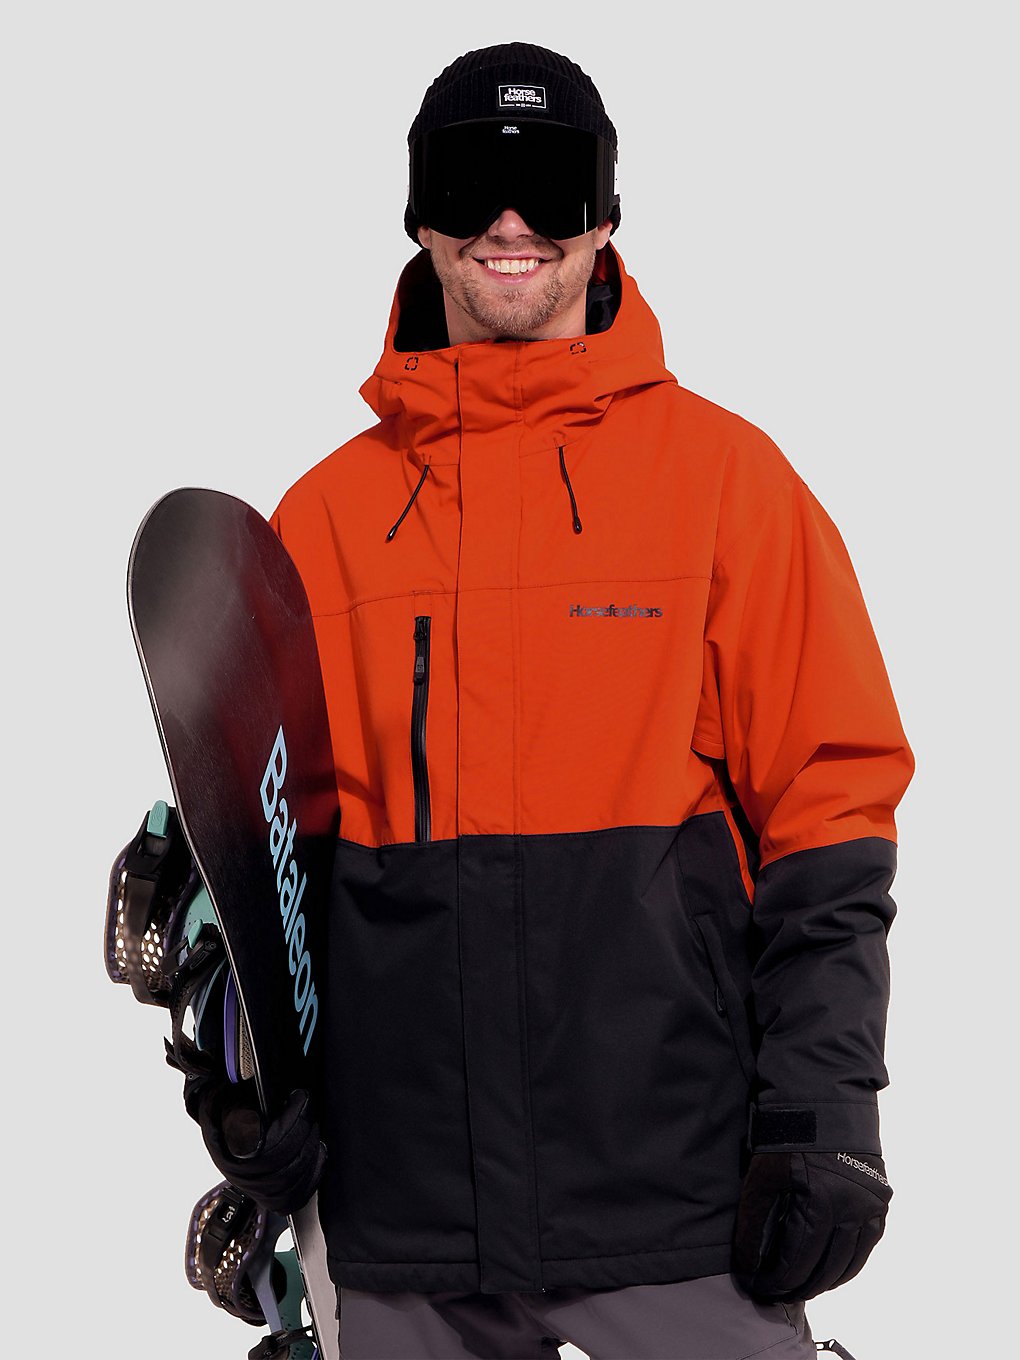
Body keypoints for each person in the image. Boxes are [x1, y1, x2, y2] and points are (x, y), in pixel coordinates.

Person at [264, 42, 915, 1360]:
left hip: (672, 1190)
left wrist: (824, 1112)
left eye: (551, 187)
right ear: (420, 214)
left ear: (606, 216)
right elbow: (275, 861)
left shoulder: (728, 485)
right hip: (406, 1215)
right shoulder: (321, 522)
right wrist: (252, 1099)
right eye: (472, 185)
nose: (510, 226)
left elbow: (830, 817)